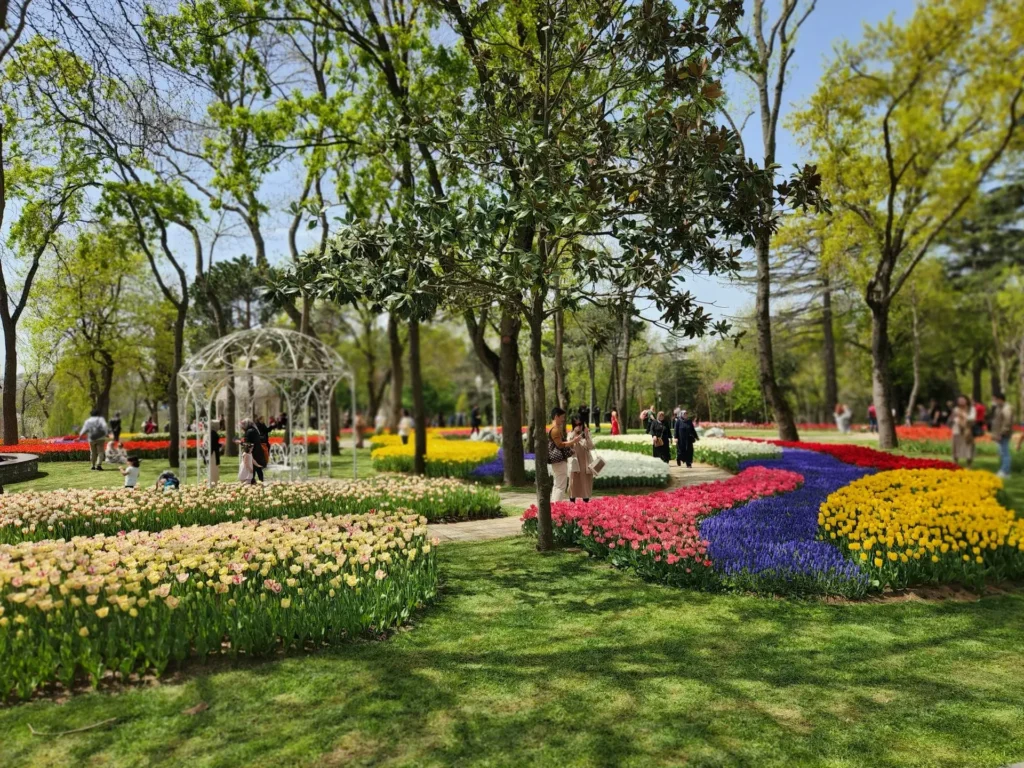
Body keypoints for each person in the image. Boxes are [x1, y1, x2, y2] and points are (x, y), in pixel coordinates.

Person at [547, 407, 582, 502]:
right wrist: (573, 441)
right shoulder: (555, 430)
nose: (563, 419)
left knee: (557, 484)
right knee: (561, 486)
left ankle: (553, 506)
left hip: (557, 461)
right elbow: (560, 444)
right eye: (562, 417)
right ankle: (557, 507)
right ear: (556, 416)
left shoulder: (555, 429)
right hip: (559, 461)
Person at [567, 415, 596, 503]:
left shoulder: (586, 434)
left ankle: (585, 505)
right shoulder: (570, 434)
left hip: (585, 463)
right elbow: (568, 446)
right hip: (575, 463)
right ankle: (572, 503)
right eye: (576, 424)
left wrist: (586, 436)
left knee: (585, 484)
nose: (579, 426)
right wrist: (574, 438)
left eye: (580, 424)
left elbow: (591, 447)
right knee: (573, 483)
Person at [991, 392, 1014, 478]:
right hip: (998, 434)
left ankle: (1005, 471)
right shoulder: (999, 408)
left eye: (994, 399)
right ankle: (1004, 470)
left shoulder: (1006, 408)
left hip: (1003, 434)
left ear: (1000, 399)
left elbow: (1007, 423)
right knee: (1002, 452)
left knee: (1005, 453)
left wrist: (1001, 433)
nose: (993, 401)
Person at [950, 395, 976, 467]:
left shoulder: (972, 409)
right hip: (957, 429)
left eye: (962, 400)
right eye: (959, 400)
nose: (961, 401)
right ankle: (955, 462)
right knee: (956, 446)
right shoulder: (956, 409)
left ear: (966, 400)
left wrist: (962, 415)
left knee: (968, 446)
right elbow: (953, 418)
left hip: (967, 430)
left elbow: (972, 419)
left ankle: (969, 464)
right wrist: (958, 420)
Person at [242, 418, 266, 483]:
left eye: (243, 424)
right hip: (257, 451)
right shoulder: (254, 430)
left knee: (252, 468)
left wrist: (240, 442)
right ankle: (261, 481)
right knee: (258, 468)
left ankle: (252, 483)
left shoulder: (249, 431)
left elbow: (247, 444)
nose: (242, 426)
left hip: (252, 452)